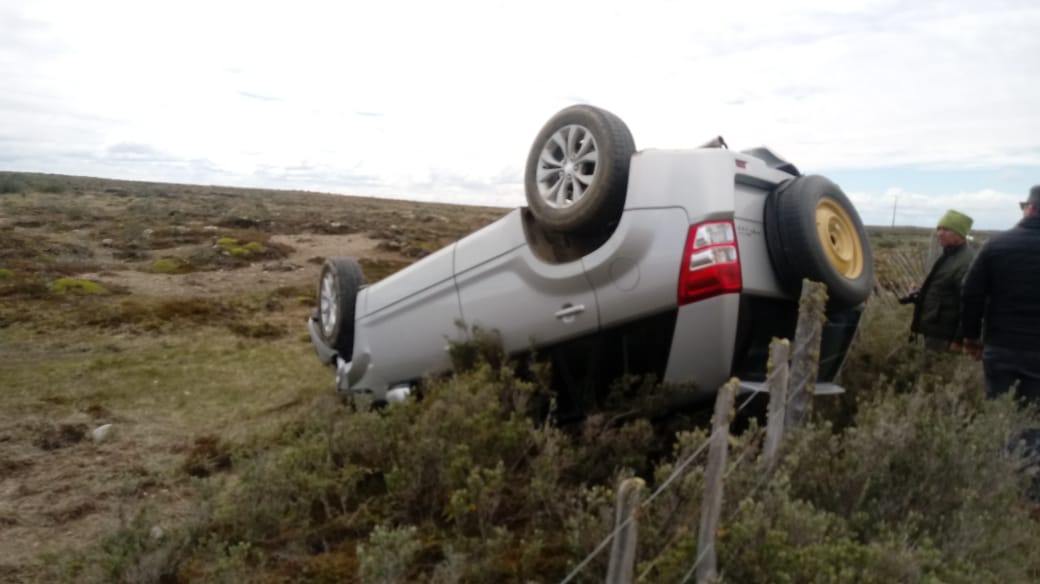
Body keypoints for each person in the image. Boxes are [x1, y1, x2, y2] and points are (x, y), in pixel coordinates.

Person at [961, 186, 1040, 398]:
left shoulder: (996, 245)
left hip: (1001, 344)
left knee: (999, 414)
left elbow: (971, 293)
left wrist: (970, 336)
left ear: (1030, 208)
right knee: (1033, 417)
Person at [900, 209, 976, 353]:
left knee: (934, 371)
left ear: (960, 234)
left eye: (946, 229)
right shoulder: (949, 254)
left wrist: (958, 340)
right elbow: (943, 291)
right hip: (933, 329)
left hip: (944, 335)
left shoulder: (965, 262)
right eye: (939, 228)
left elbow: (970, 305)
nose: (940, 233)